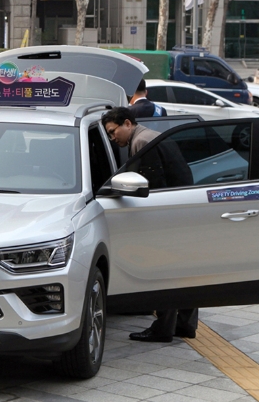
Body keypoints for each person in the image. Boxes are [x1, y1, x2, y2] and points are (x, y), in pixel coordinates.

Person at [101, 107, 197, 343]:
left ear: (127, 123)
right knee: (183, 272)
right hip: (184, 211)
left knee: (163, 271)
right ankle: (185, 325)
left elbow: (153, 186)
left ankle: (162, 329)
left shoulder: (141, 142)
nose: (114, 138)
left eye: (114, 132)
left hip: (168, 218)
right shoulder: (149, 135)